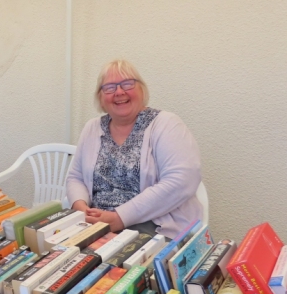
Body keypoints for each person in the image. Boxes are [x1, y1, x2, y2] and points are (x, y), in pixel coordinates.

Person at [66, 59, 202, 239]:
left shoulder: (167, 124)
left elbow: (182, 180)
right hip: (95, 225)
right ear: (100, 98)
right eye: (110, 87)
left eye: (127, 84)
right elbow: (75, 177)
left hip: (153, 227)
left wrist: (119, 218)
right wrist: (80, 207)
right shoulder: (92, 128)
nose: (119, 92)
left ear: (142, 90)